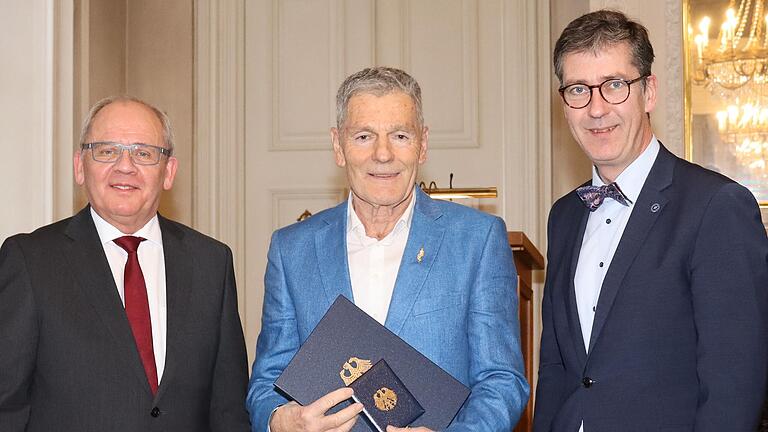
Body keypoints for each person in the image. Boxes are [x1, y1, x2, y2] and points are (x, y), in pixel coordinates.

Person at [246, 66, 529, 432]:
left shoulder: (478, 240)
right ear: (338, 146)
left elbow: (502, 380)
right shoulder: (291, 249)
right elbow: (267, 382)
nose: (383, 154)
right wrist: (280, 421)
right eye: (364, 136)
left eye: (400, 135)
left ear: (423, 144)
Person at [534, 10, 768, 432]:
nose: (596, 109)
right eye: (578, 90)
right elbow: (555, 367)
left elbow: (735, 384)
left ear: (649, 92)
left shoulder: (717, 206)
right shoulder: (564, 215)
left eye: (615, 85)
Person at [0, 96, 251, 431]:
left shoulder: (211, 262)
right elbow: (7, 405)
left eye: (144, 153)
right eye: (106, 151)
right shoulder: (30, 260)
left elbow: (228, 409)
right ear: (79, 166)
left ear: (168, 172)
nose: (125, 166)